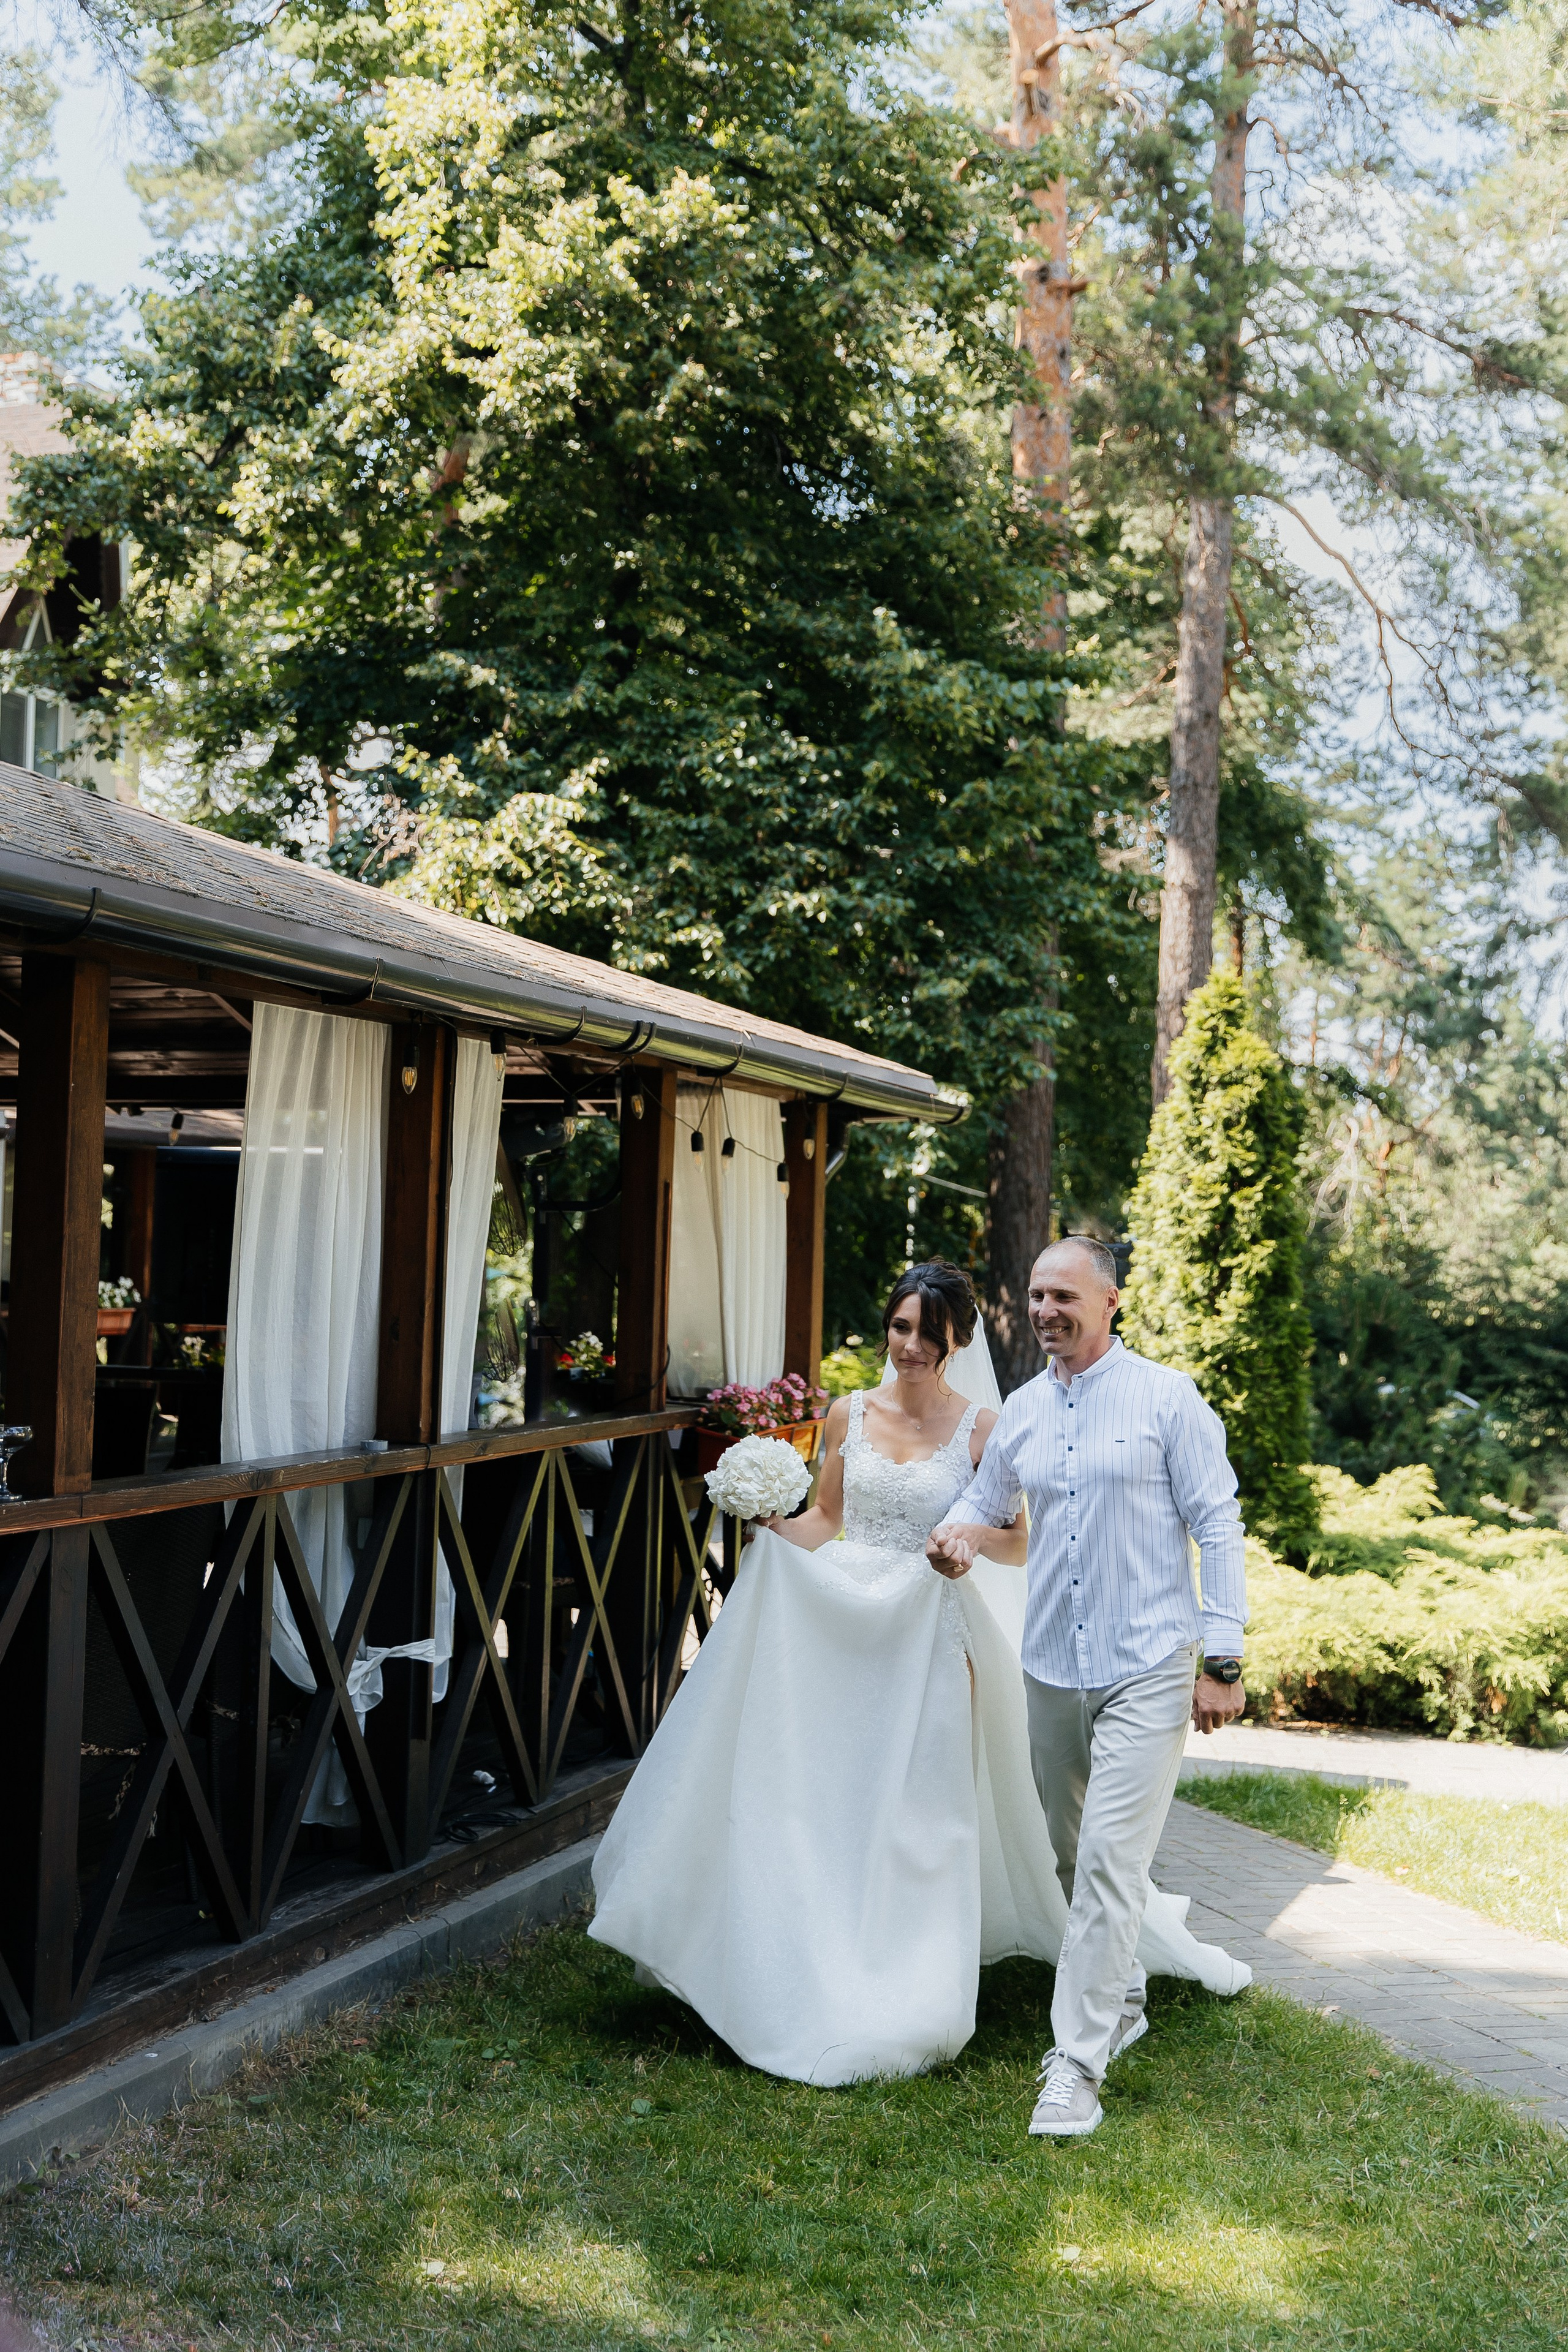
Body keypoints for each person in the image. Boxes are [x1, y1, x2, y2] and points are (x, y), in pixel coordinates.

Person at [589, 1259, 1249, 2087]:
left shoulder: (994, 1424)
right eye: (900, 1328)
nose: (910, 1346)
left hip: (932, 1625)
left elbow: (1020, 1537)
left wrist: (965, 1541)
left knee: (928, 1815)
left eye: (928, 1334)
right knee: (829, 1799)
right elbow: (828, 1520)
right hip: (845, 1623)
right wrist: (771, 1531)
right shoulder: (851, 1414)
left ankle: (930, 1986)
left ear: (957, 1341)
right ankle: (807, 1957)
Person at [928, 1235, 1248, 2140]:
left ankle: (1075, 2065)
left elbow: (1218, 1523)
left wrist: (1222, 1660)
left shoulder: (1167, 1398)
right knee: (1071, 1856)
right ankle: (1126, 1994)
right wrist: (957, 1534)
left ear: (1111, 1302)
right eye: (1037, 1295)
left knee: (1111, 1859)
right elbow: (987, 1502)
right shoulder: (1023, 1411)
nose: (1045, 1311)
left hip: (1148, 1663)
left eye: (1064, 1296)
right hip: (1051, 1668)